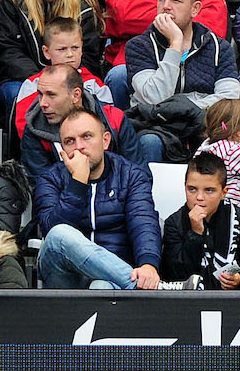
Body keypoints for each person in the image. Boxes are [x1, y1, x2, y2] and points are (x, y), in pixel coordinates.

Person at [35, 107, 162, 289]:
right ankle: (141, 287)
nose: (79, 146)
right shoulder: (51, 179)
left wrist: (148, 266)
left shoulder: (130, 175)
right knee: (59, 233)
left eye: (86, 136)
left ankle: (139, 283)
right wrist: (77, 183)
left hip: (112, 278)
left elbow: (143, 222)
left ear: (105, 140)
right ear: (62, 149)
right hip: (65, 277)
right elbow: (50, 230)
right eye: (70, 141)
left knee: (101, 287)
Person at [159, 153, 240, 289]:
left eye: (209, 190)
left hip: (234, 298)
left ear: (223, 192)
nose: (199, 197)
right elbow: (176, 276)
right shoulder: (174, 223)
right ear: (185, 187)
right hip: (190, 300)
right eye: (192, 189)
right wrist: (195, 234)